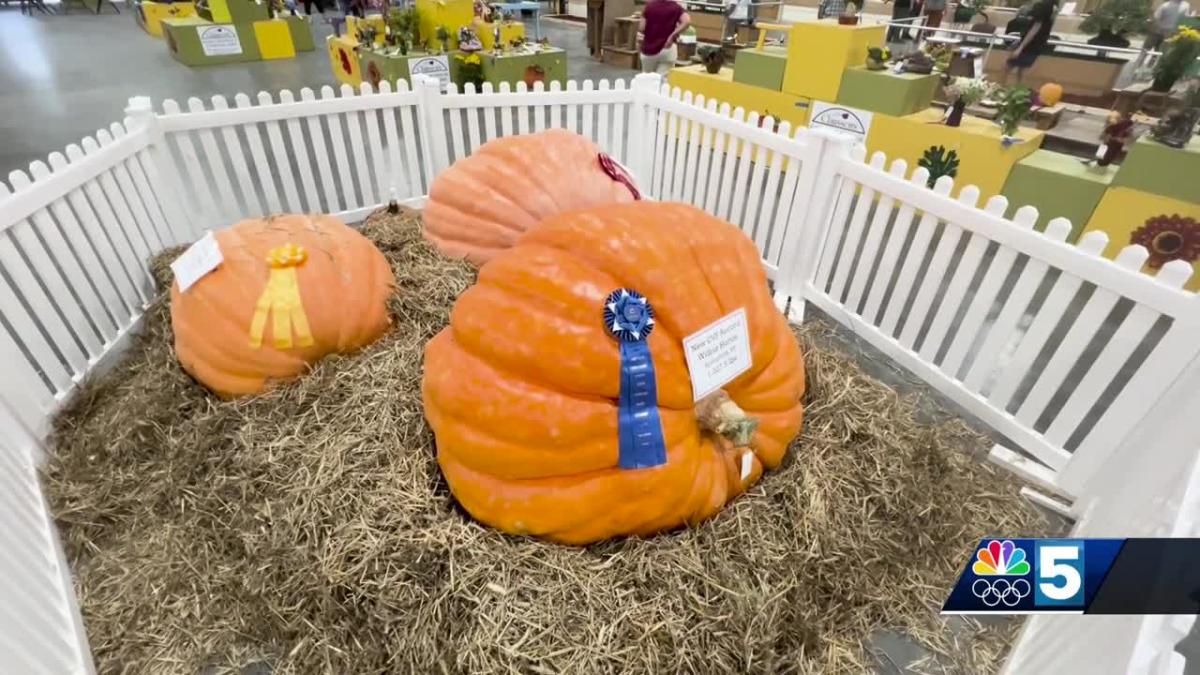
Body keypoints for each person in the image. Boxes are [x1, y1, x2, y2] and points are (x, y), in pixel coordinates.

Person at [1003, 0, 1056, 83]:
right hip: (1038, 43)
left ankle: (1001, 90)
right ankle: (1019, 92)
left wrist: (1020, 47)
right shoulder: (1052, 6)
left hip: (1030, 44)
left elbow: (1035, 28)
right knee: (1021, 70)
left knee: (1007, 67)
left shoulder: (1042, 6)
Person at [639, 0, 690, 75]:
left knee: (647, 80)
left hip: (649, 49)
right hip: (668, 48)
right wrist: (673, 35)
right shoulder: (676, 8)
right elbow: (687, 21)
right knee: (663, 81)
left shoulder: (649, 6)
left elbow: (642, 27)